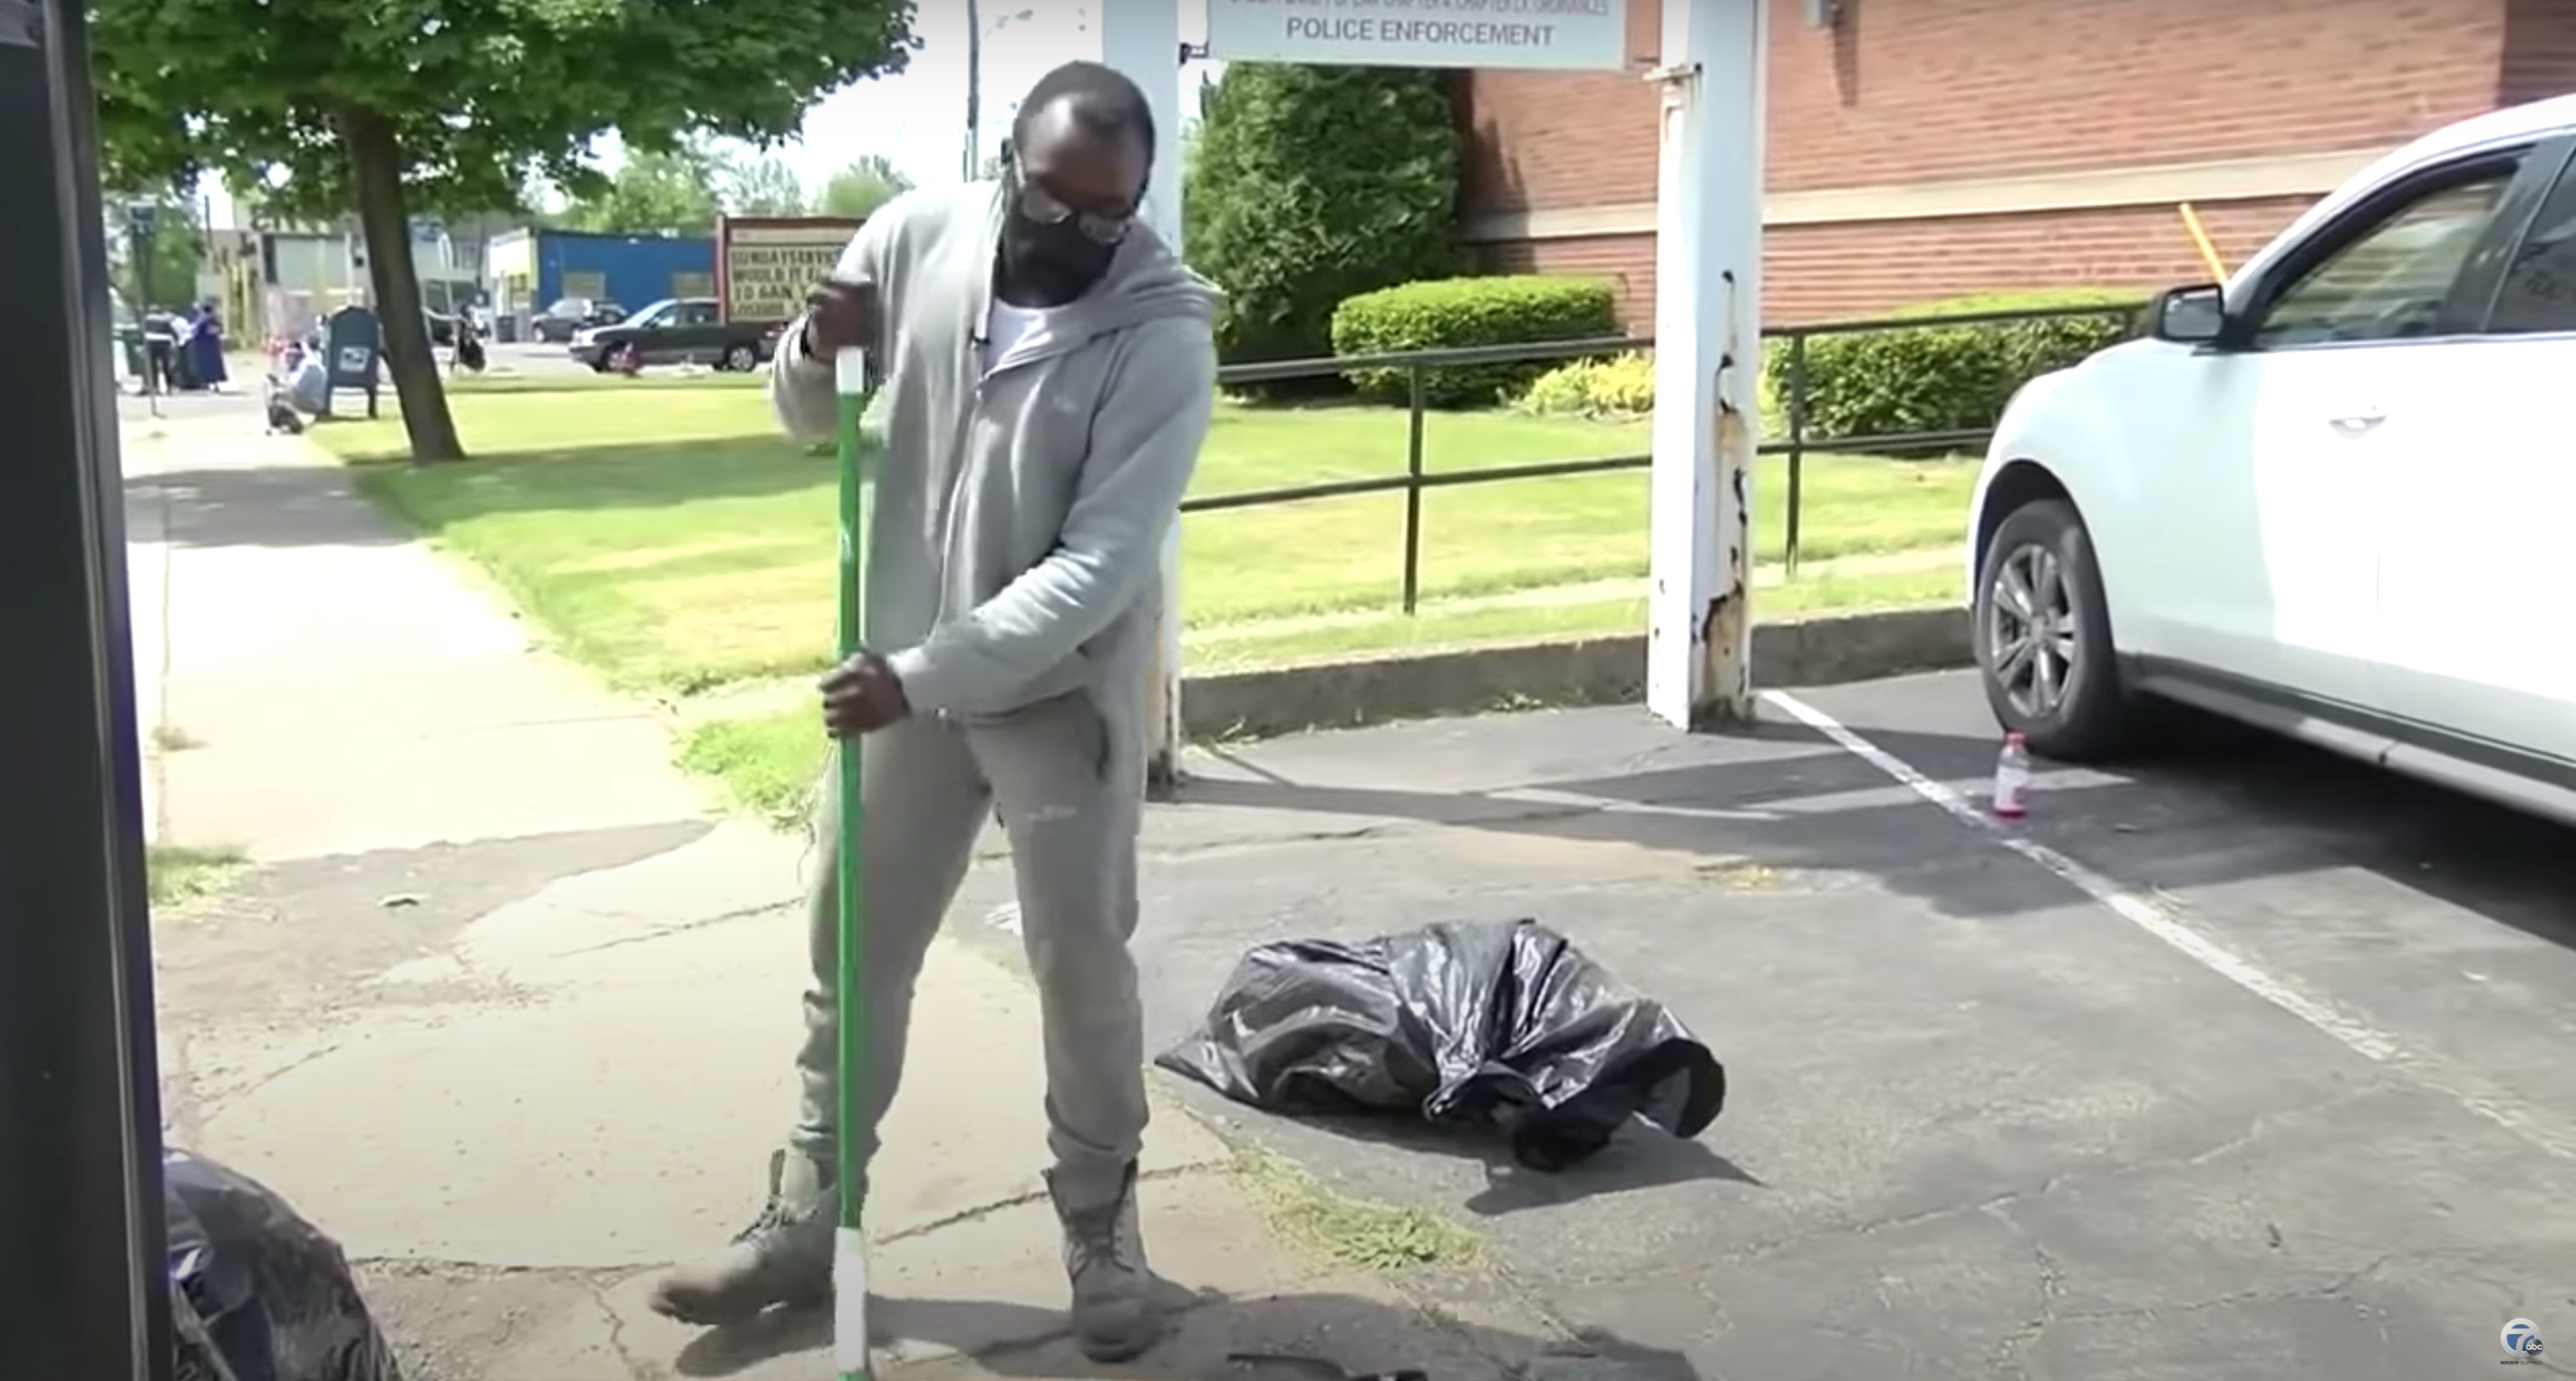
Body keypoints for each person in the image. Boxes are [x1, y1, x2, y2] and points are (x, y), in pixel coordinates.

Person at [646, 61, 1218, 1363]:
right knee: (849, 949)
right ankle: (806, 1221)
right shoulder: (914, 233)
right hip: (901, 681)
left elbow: (1098, 566)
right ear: (1003, 160)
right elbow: (798, 414)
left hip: (1049, 695)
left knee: (1080, 969)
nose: (1078, 235)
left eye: (1109, 214)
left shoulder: (1164, 331)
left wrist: (926, 670)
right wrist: (810, 347)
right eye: (1053, 200)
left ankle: (1101, 1231)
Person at [184, 302, 229, 393]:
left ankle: (208, 384)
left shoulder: (202, 320)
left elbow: (197, 332)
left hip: (204, 347)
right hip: (213, 346)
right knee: (214, 366)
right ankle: (214, 383)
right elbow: (218, 330)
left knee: (206, 367)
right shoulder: (214, 320)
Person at [140, 305, 178, 394]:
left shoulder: (146, 319)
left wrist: (141, 345)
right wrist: (175, 341)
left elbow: (142, 332)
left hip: (151, 343)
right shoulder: (164, 320)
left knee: (152, 367)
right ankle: (169, 387)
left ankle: (154, 387)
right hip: (164, 344)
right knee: (166, 366)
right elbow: (173, 333)